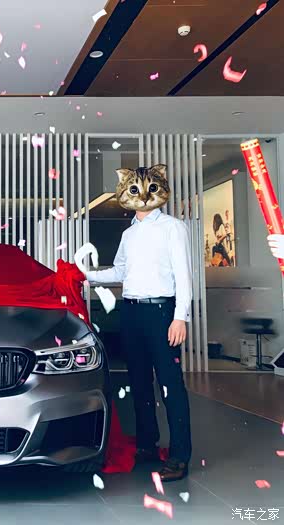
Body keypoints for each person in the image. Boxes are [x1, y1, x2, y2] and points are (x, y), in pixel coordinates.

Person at [84, 164, 192, 482]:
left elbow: (184, 275)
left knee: (171, 385)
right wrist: (84, 276)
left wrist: (180, 317)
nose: (143, 196)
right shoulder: (128, 234)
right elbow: (120, 272)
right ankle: (147, 446)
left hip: (162, 312)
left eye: (150, 189)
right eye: (135, 190)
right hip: (130, 312)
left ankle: (179, 456)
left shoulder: (173, 227)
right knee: (139, 382)